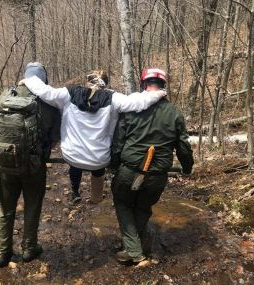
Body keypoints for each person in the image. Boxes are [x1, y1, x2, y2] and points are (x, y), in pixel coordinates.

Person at [20, 64, 166, 205]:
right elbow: (138, 102)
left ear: (87, 81)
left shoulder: (68, 93)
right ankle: (96, 197)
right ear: (106, 84)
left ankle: (75, 193)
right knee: (98, 165)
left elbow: (45, 91)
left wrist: (28, 80)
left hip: (72, 155)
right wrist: (159, 93)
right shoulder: (113, 98)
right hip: (99, 159)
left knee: (75, 161)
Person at [110, 68, 194, 264]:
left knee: (123, 204)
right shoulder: (174, 113)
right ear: (163, 86)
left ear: (143, 84)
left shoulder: (132, 107)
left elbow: (118, 142)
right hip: (157, 176)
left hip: (129, 171)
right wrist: (187, 167)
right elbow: (183, 146)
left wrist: (114, 165)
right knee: (142, 207)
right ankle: (135, 245)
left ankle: (133, 250)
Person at [0, 63, 61, 267]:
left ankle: (2, 252)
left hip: (5, 162)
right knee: (32, 205)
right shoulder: (47, 102)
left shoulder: (6, 95)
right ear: (43, 79)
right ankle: (29, 248)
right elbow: (55, 137)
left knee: (6, 207)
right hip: (34, 165)